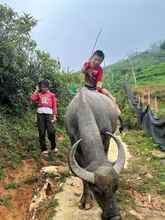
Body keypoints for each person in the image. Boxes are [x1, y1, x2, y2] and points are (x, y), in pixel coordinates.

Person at [31, 80, 58, 155]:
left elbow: (54, 106)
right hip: (40, 115)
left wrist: (54, 116)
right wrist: (36, 90)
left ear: (47, 87)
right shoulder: (38, 94)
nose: (42, 88)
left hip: (49, 115)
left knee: (51, 131)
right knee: (41, 132)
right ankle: (44, 149)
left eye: (43, 87)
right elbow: (32, 98)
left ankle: (53, 147)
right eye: (41, 87)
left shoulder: (52, 95)